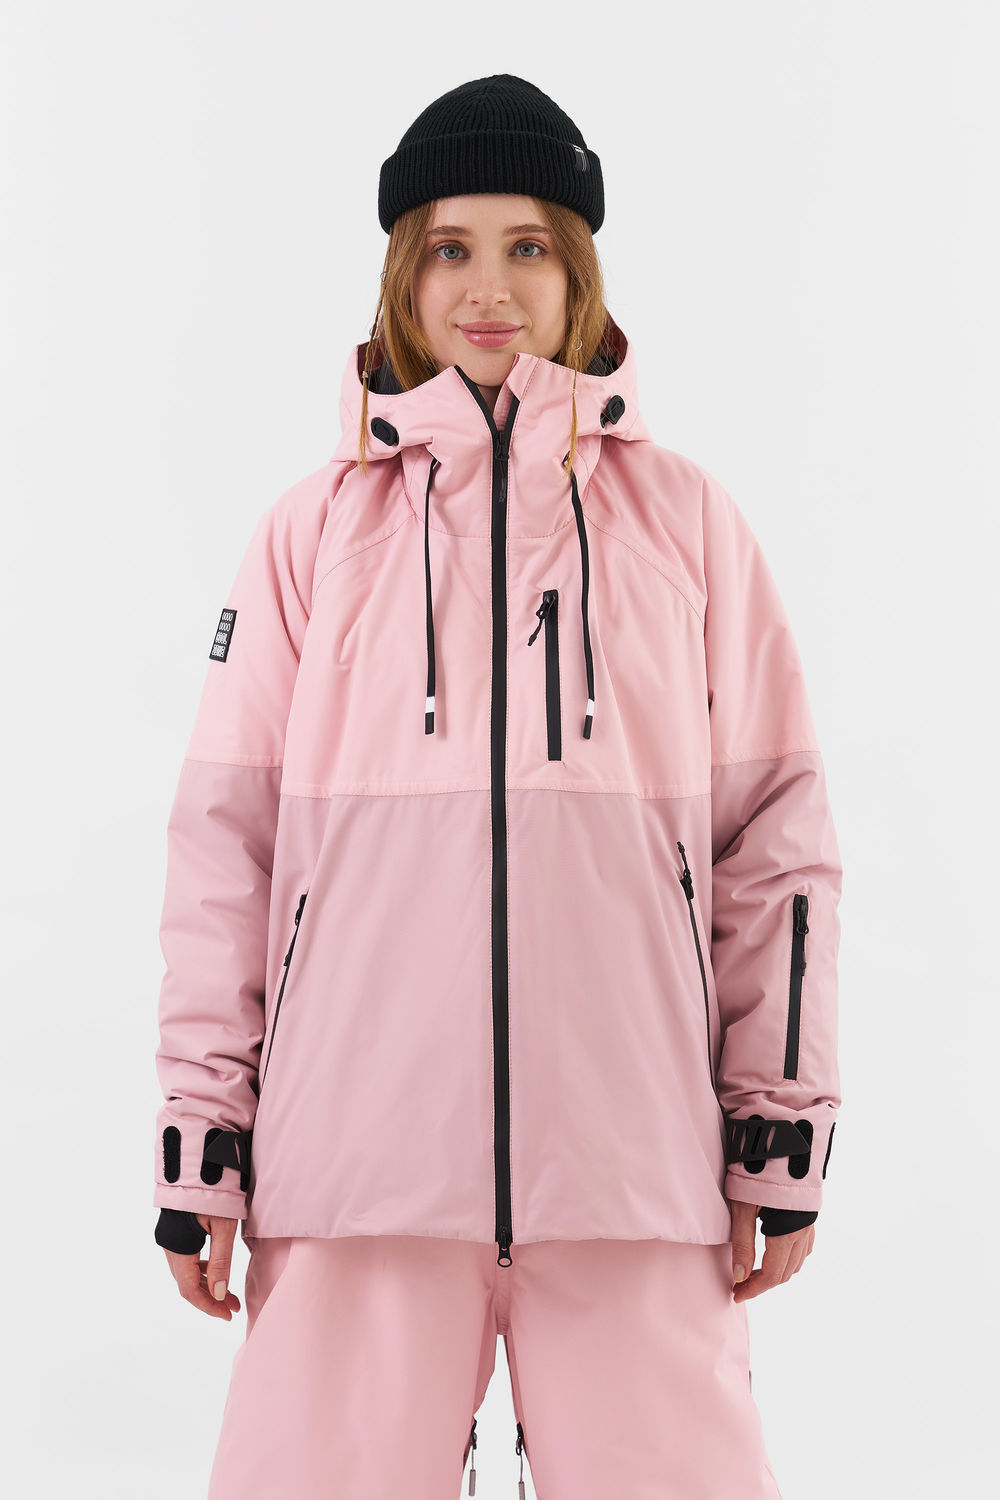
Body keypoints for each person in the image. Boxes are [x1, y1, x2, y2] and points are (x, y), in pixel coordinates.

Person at [151, 73, 842, 1499]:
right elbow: (228, 852)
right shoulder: (314, 530)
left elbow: (775, 845)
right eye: (450, 247)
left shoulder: (688, 523)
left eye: (528, 245)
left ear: (576, 271)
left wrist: (777, 1124)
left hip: (631, 1166)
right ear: (404, 277)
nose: (488, 288)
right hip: (356, 1167)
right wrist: (204, 1135)